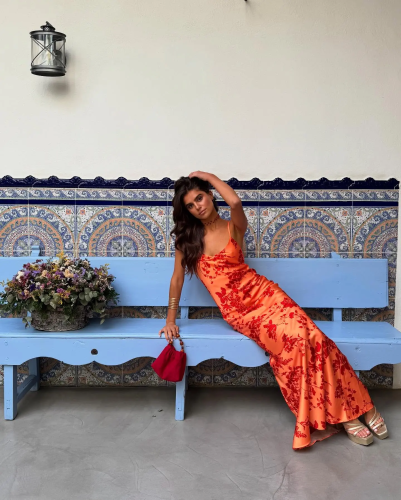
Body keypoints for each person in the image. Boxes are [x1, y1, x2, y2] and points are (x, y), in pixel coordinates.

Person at [159, 171, 389, 449]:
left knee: (314, 337)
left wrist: (209, 176)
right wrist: (170, 319)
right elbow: (177, 279)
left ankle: (363, 407)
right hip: (242, 313)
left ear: (210, 195)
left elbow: (235, 202)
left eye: (200, 197)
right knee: (296, 342)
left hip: (267, 294)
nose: (198, 206)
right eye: (190, 205)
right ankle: (349, 414)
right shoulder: (187, 241)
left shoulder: (233, 227)